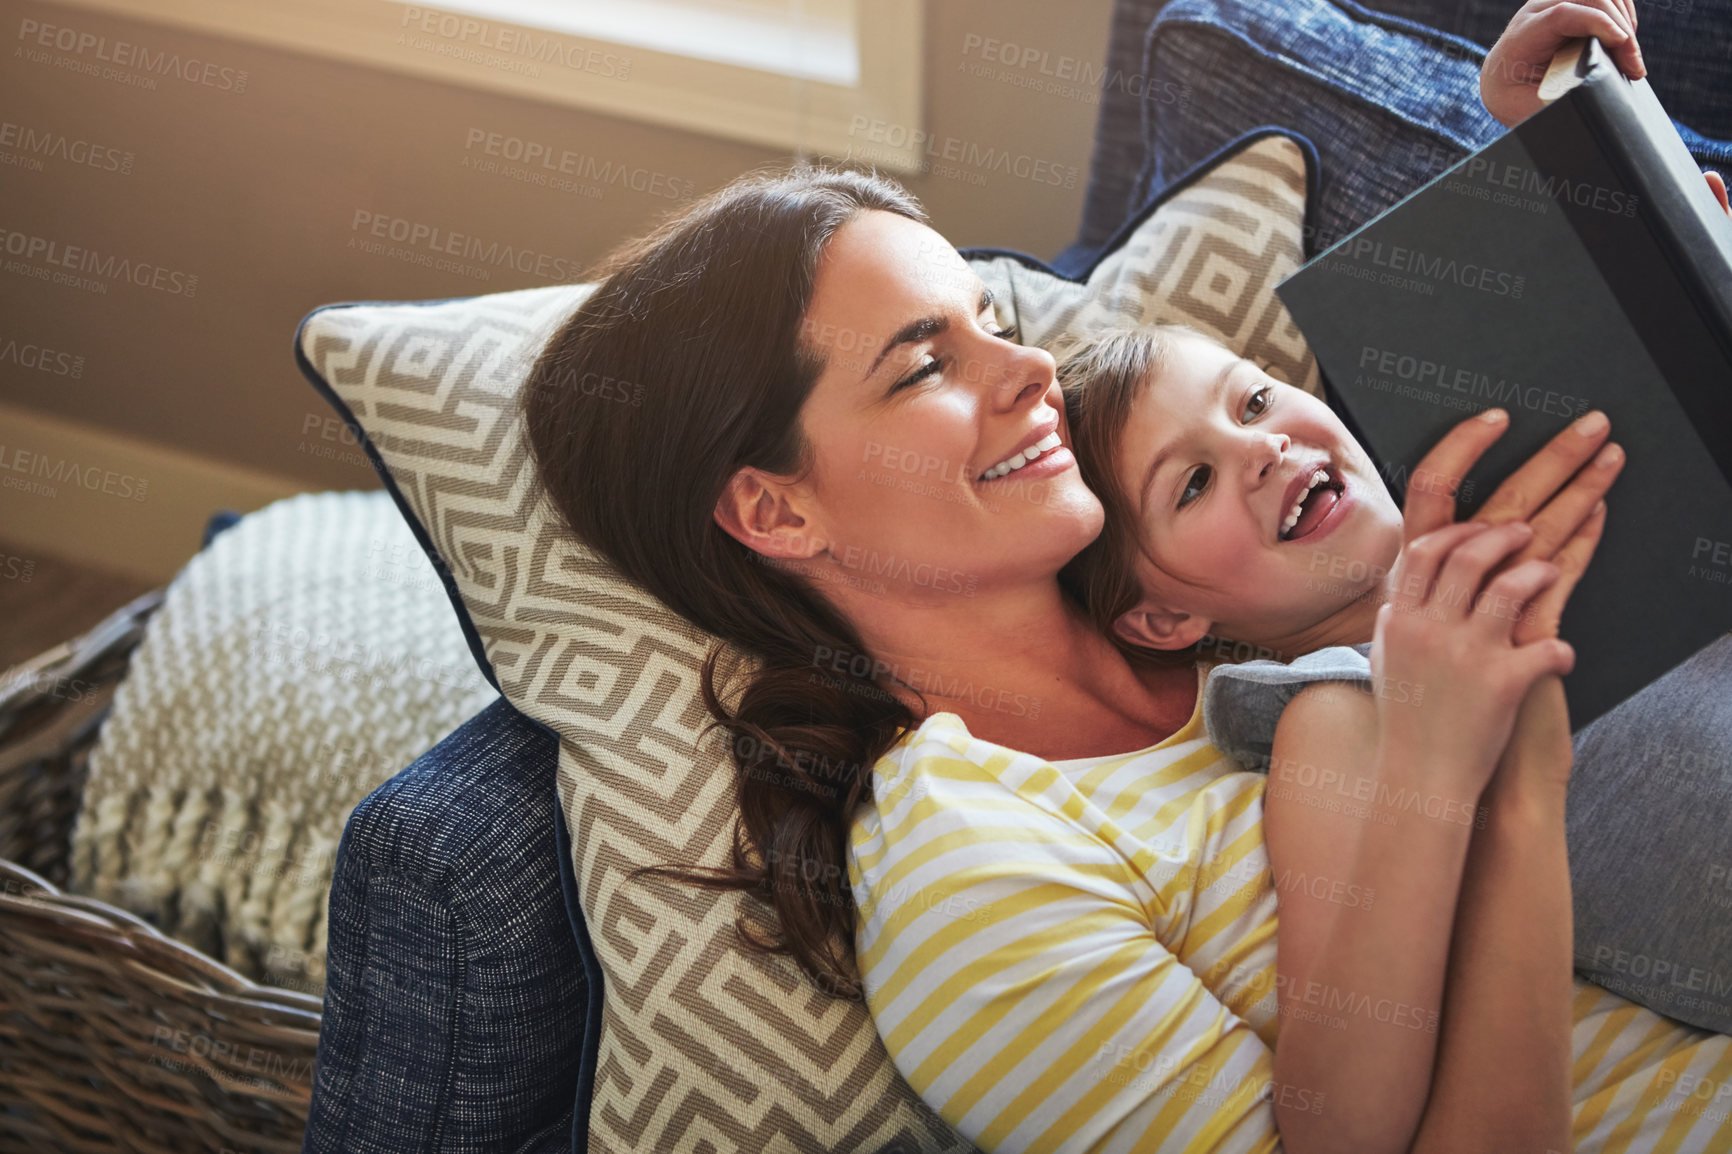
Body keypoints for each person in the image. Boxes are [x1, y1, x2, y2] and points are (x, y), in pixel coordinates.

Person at [517, 156, 1729, 1151]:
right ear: (779, 512)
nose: (1033, 367)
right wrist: (1507, 780)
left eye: (993, 324)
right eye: (928, 363)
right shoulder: (968, 869)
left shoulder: (1238, 607)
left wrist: (1602, 165)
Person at [1057, 321, 1732, 1148]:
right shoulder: (1337, 705)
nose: (1261, 447)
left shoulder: (1530, 484)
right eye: (1193, 482)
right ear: (1167, 617)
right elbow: (1339, 1128)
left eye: (1256, 399)